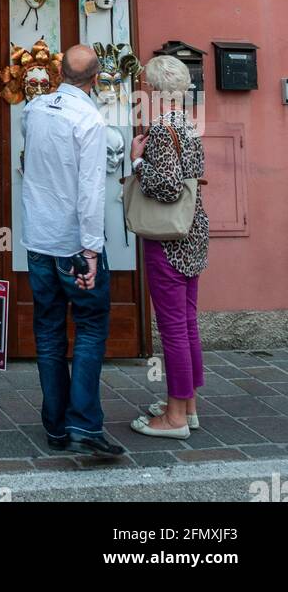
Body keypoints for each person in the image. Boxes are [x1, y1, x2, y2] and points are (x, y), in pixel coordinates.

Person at [21, 44, 123, 458]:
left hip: (38, 238)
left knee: (48, 330)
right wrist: (92, 251)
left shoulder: (35, 109)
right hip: (74, 245)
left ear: (59, 72)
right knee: (91, 326)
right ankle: (82, 422)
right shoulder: (91, 121)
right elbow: (91, 192)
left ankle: (56, 426)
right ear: (96, 79)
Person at [129, 54, 208, 439]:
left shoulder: (162, 129)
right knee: (187, 321)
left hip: (169, 239)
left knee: (173, 326)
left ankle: (175, 417)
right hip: (193, 231)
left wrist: (137, 162)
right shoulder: (189, 125)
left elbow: (168, 187)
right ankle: (187, 405)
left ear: (155, 90)